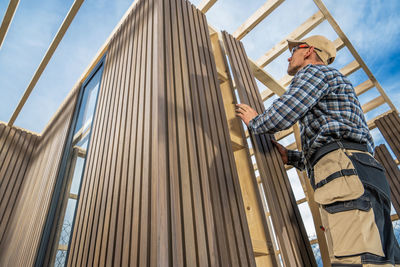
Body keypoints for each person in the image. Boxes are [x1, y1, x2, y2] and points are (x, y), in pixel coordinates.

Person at [236, 35, 400, 266]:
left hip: (345, 170)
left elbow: (284, 113)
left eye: (294, 51)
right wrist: (293, 157)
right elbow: (331, 138)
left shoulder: (314, 73)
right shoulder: (334, 82)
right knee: (380, 258)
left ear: (309, 50)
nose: (289, 56)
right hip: (361, 170)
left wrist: (256, 121)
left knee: (355, 259)